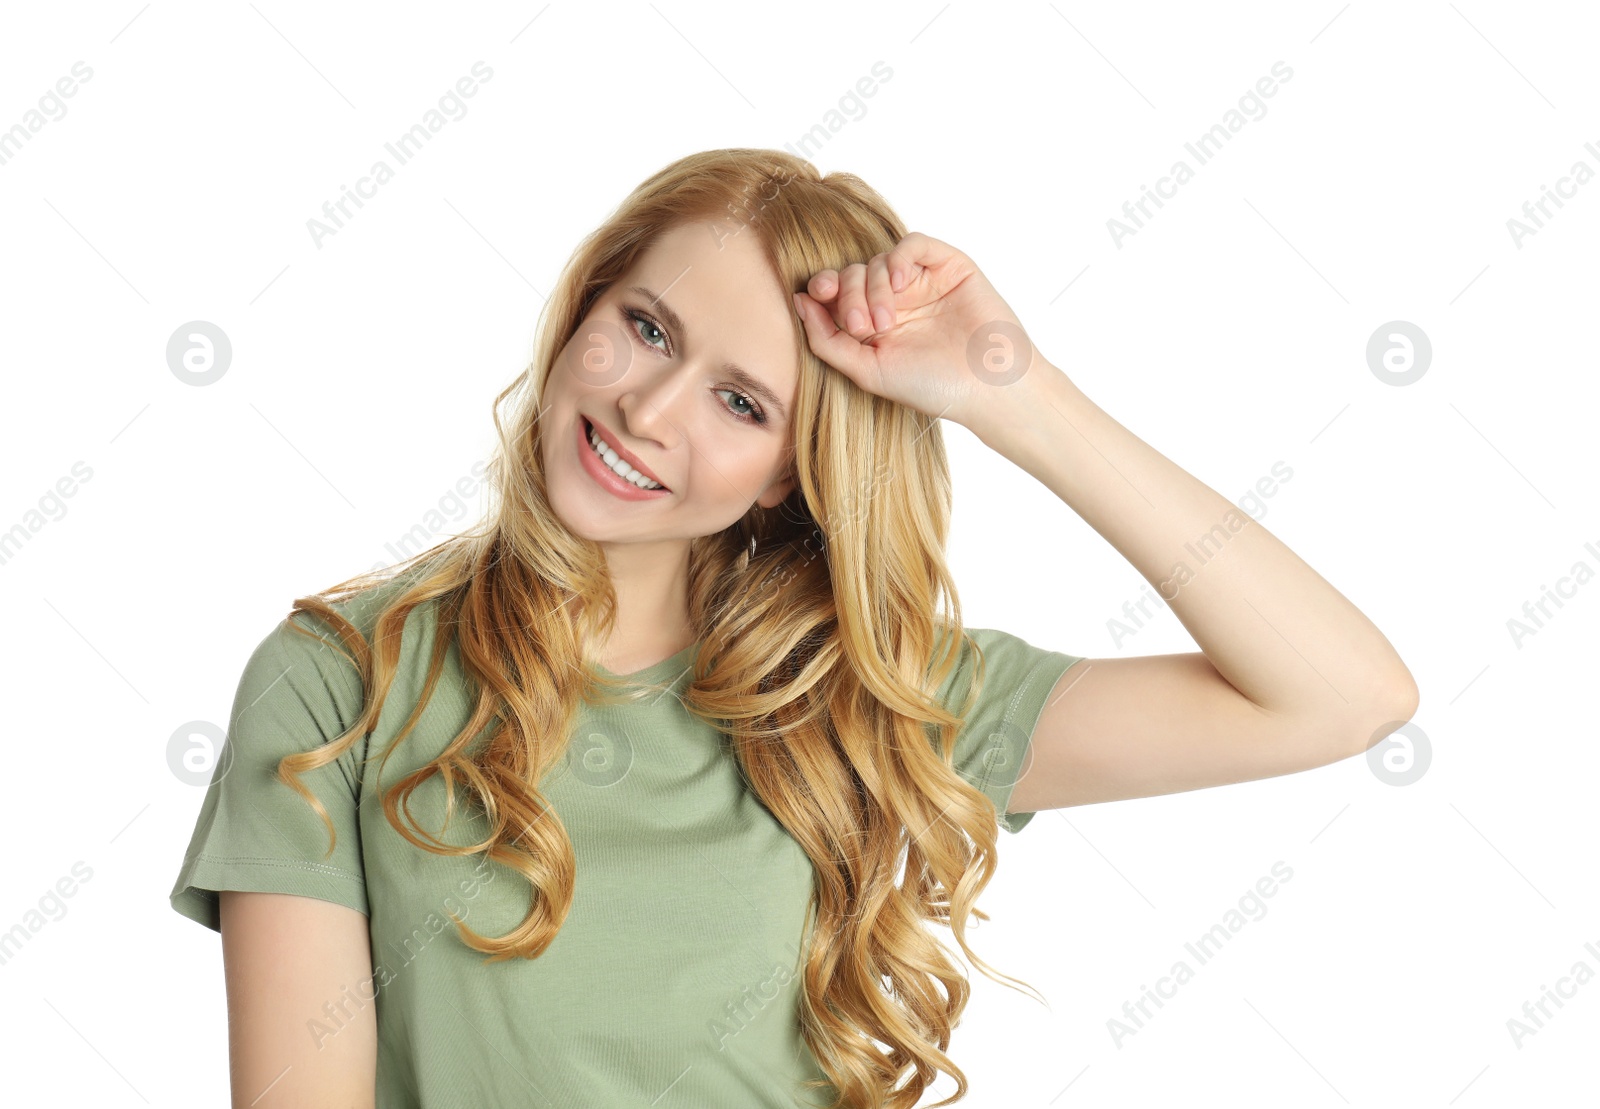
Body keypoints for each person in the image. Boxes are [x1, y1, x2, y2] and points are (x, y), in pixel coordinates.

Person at [170, 148, 1418, 1109]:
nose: (649, 409)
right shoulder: (343, 679)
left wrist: (1014, 393)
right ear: (581, 313)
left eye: (740, 399)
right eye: (646, 328)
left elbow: (1340, 696)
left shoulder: (870, 694)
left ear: (786, 473)